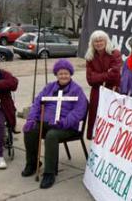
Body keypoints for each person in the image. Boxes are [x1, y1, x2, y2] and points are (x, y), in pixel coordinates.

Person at [22, 59, 88, 189]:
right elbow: (37, 103)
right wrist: (31, 119)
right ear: (56, 75)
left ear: (70, 74)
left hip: (67, 126)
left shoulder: (77, 90)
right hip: (46, 122)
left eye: (66, 73)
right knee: (30, 130)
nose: (63, 76)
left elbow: (79, 112)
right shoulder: (50, 87)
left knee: (51, 136)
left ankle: (49, 173)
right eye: (60, 73)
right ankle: (33, 163)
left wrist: (63, 123)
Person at [85, 30, 122, 140]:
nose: (98, 43)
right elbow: (90, 80)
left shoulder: (114, 54)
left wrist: (97, 76)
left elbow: (115, 75)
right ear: (92, 43)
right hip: (97, 93)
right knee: (96, 121)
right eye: (96, 41)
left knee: (111, 120)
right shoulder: (90, 56)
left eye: (101, 40)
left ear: (106, 41)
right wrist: (107, 74)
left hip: (112, 92)